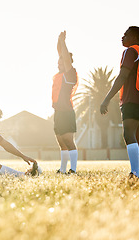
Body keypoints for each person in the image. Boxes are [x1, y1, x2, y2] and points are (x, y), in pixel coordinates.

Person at [100, 26, 139, 178]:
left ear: (134, 37)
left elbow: (122, 77)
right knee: (138, 134)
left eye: (125, 34)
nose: (122, 37)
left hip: (132, 98)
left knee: (129, 134)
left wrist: (106, 99)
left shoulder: (130, 52)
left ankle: (135, 172)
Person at [52, 31, 79, 174]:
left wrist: (63, 42)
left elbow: (65, 58)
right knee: (60, 141)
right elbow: (61, 54)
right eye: (58, 62)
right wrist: (58, 40)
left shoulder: (70, 73)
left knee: (68, 140)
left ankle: (73, 169)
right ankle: (62, 170)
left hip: (67, 112)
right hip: (58, 112)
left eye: (61, 62)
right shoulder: (60, 74)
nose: (58, 64)